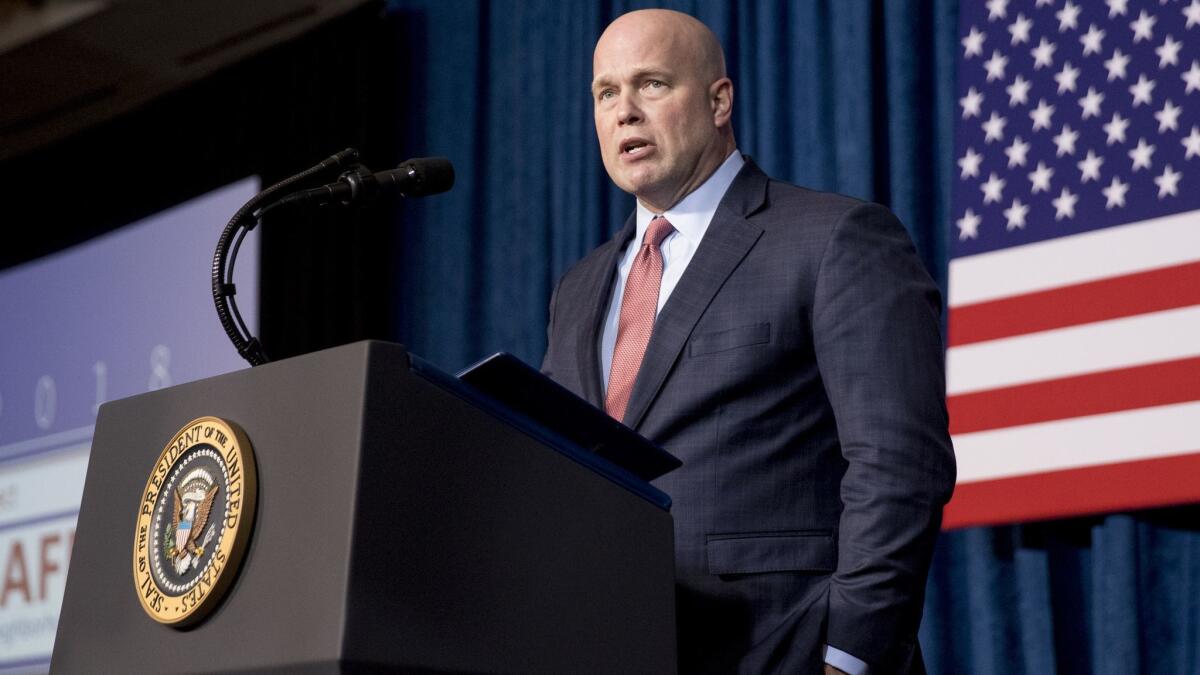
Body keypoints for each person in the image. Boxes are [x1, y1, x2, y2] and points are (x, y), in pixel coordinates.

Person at [541, 9, 955, 675]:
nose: (624, 112)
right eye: (606, 92)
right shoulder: (579, 288)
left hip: (786, 651)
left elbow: (900, 464)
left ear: (719, 100)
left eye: (651, 85)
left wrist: (849, 656)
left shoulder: (834, 239)